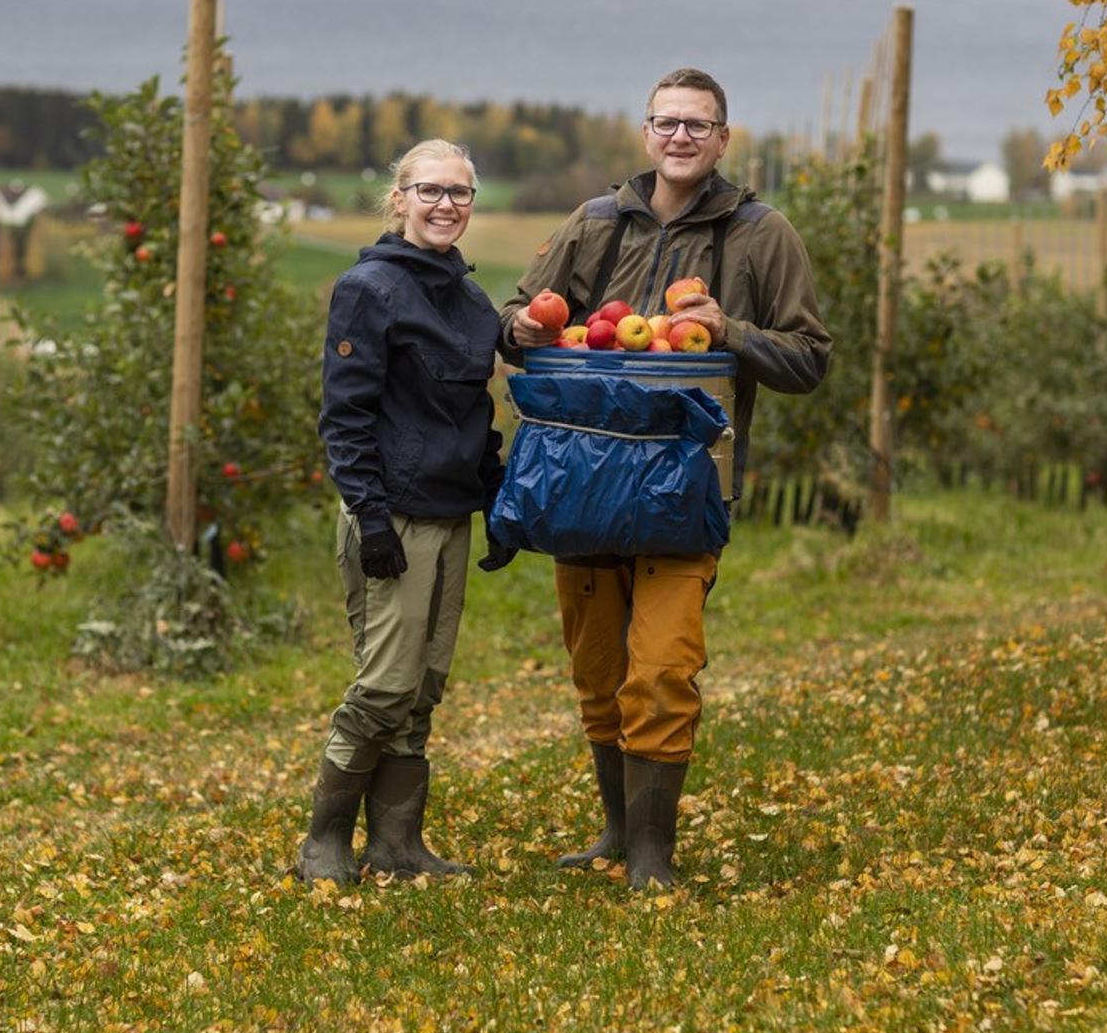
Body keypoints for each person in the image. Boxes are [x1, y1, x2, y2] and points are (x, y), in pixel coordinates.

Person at [498, 67, 831, 890]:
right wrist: (524, 325)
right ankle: (617, 831)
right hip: (583, 483)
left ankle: (654, 854)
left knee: (664, 668)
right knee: (599, 668)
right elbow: (519, 320)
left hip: (685, 492)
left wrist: (731, 329)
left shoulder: (762, 233)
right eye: (667, 122)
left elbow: (810, 358)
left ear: (723, 138)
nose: (680, 137)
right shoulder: (597, 222)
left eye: (698, 124)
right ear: (646, 134)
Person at [296, 138, 506, 883]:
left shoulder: (470, 298)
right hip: (394, 516)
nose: (446, 204)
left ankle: (397, 845)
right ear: (400, 198)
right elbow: (345, 417)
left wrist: (496, 499)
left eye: (459, 192)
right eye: (430, 190)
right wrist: (371, 516)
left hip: (451, 515)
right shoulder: (370, 288)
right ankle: (324, 841)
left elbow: (473, 409)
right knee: (384, 683)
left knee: (422, 690)